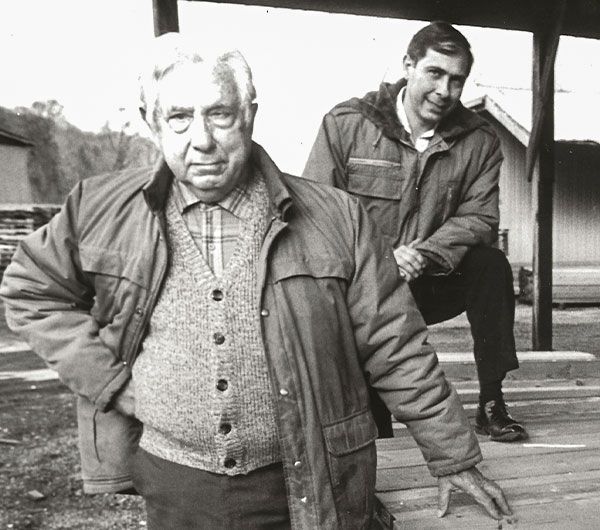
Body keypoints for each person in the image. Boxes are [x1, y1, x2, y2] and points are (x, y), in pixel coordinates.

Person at [0, 33, 512, 529]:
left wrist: (453, 457)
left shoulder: (337, 217)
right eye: (178, 117)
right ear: (151, 123)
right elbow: (31, 291)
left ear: (248, 113)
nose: (201, 140)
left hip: (306, 478)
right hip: (174, 483)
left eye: (219, 114)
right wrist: (111, 383)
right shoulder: (98, 207)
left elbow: (394, 343)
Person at [302, 21, 527, 444]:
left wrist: (423, 253)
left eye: (456, 79)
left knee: (491, 265)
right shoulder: (348, 123)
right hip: (361, 288)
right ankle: (373, 409)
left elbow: (480, 217)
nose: (445, 90)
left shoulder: (479, 140)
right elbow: (317, 212)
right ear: (409, 66)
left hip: (427, 278)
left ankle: (492, 401)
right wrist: (382, 255)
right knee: (376, 434)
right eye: (435, 73)